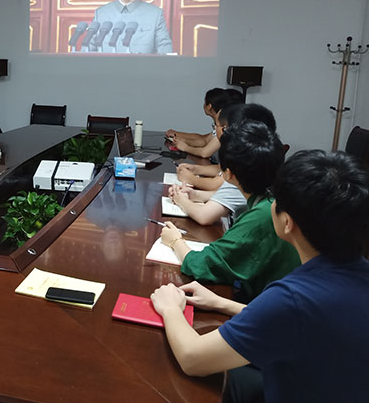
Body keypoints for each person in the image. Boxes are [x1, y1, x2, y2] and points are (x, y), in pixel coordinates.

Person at [150, 150, 369, 403]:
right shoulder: (353, 273)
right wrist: (222, 303)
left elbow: (192, 358)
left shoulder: (293, 298)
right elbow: (302, 323)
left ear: (287, 222)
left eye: (276, 199)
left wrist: (171, 309)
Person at [161, 120, 300, 303]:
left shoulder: (262, 215)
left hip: (266, 304)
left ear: (227, 174)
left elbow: (201, 265)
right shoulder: (272, 198)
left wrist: (175, 240)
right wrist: (195, 195)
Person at [169, 104, 277, 227]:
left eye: (221, 127)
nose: (218, 132)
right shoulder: (257, 165)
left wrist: (181, 199)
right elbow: (234, 196)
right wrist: (195, 195)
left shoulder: (242, 174)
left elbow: (204, 216)